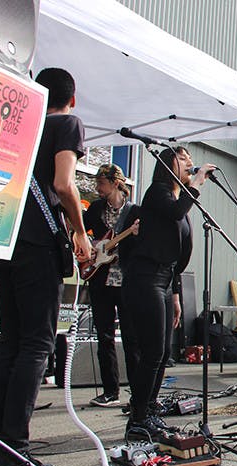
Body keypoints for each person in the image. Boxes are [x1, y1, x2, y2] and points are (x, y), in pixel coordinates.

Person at [0, 68, 92, 466]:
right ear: (72, 99)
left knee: (11, 342)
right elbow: (63, 183)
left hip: (2, 235)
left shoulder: (20, 126)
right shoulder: (68, 124)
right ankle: (14, 451)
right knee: (37, 343)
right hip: (38, 242)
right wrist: (79, 231)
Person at [122, 146, 215, 438]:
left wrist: (175, 295)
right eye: (183, 158)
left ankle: (148, 410)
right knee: (151, 351)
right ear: (168, 163)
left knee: (162, 353)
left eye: (190, 158)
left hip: (164, 280)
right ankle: (137, 418)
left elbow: (176, 253)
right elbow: (175, 212)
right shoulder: (157, 193)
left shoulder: (177, 199)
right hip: (145, 278)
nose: (189, 162)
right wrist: (197, 182)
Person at [82, 164, 140, 408]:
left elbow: (142, 246)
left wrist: (131, 240)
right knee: (103, 335)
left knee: (131, 337)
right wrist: (91, 246)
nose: (97, 188)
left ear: (116, 183)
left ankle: (138, 393)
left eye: (101, 183)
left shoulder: (134, 212)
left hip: (125, 280)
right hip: (100, 278)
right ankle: (109, 390)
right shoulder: (95, 209)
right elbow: (79, 231)